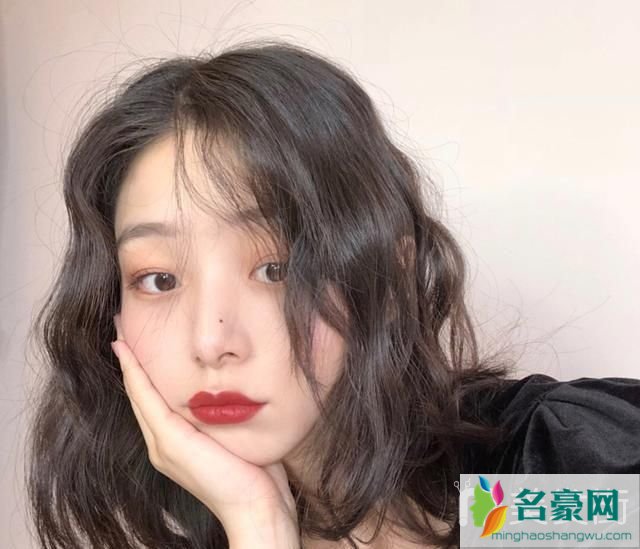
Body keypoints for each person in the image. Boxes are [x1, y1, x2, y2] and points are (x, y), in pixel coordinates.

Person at [24, 38, 640, 549]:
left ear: (390, 276)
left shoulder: (529, 483)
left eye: (276, 269)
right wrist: (257, 524)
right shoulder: (216, 528)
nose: (210, 341)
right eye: (158, 279)